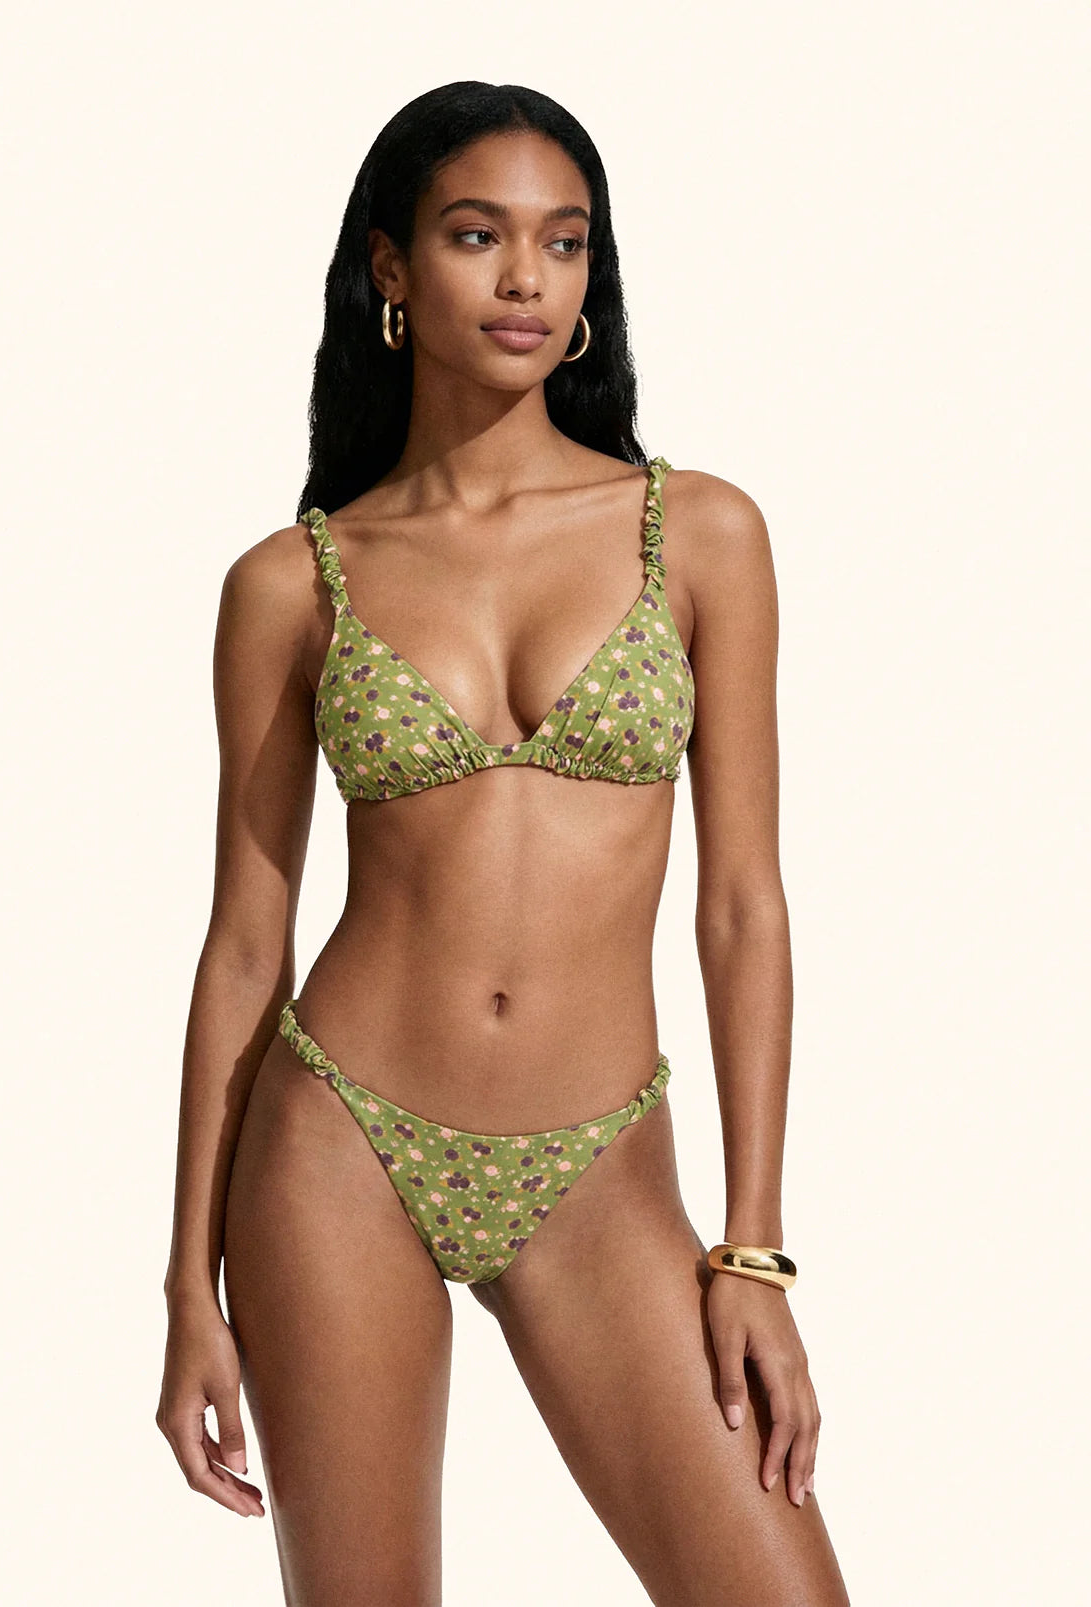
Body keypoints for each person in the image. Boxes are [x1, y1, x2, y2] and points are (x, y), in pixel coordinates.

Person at [156, 80, 851, 1607]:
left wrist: (752, 1247)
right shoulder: (293, 582)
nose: (528, 277)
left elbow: (743, 906)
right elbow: (245, 946)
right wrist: (185, 1288)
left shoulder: (701, 534)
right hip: (340, 1147)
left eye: (565, 240)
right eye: (479, 236)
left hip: (602, 1170)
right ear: (392, 268)